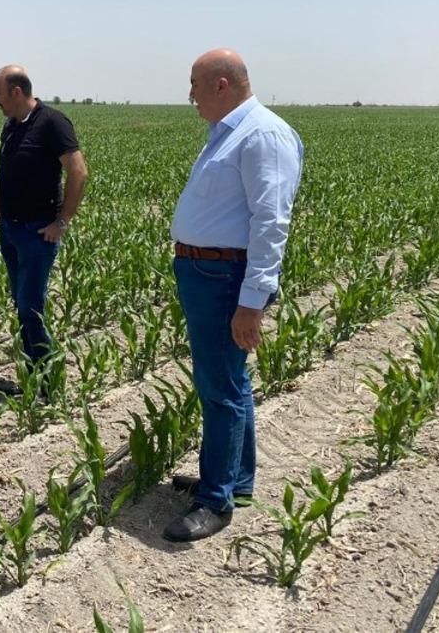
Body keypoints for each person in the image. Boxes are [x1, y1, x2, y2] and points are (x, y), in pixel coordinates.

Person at [162, 49, 304, 542]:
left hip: (225, 277)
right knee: (230, 381)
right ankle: (235, 480)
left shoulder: (262, 135)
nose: (190, 95)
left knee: (218, 387)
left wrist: (252, 302)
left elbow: (272, 223)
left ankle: (215, 501)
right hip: (206, 271)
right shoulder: (229, 133)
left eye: (195, 84)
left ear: (222, 84)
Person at [0, 65, 88, 392]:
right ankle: (33, 379)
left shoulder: (53, 123)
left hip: (39, 233)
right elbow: (3, 179)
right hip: (10, 232)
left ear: (16, 91)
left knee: (30, 308)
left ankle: (48, 386)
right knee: (22, 306)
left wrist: (61, 222)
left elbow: (79, 172)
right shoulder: (11, 127)